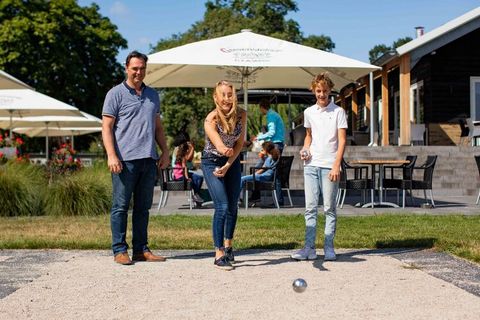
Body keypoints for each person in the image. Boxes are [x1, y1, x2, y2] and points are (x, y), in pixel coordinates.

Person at [102, 50, 170, 265]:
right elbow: (106, 128)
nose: (139, 72)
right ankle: (120, 250)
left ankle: (141, 249)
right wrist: (112, 155)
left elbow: (158, 127)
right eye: (135, 68)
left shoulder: (153, 95)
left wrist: (165, 151)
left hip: (149, 159)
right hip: (124, 161)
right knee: (120, 207)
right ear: (126, 68)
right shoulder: (115, 94)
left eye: (142, 68)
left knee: (143, 208)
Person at [291, 73, 347, 262]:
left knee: (329, 208)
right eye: (318, 91)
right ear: (314, 91)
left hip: (329, 166)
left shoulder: (338, 112)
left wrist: (336, 165)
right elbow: (308, 135)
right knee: (310, 208)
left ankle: (329, 247)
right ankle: (309, 248)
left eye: (324, 91)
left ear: (330, 90)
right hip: (311, 165)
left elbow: (342, 141)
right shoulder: (309, 112)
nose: (321, 94)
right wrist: (305, 148)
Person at [201, 80, 246, 271]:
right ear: (215, 97)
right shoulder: (210, 119)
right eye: (223, 95)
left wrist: (228, 164)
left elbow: (239, 144)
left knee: (233, 206)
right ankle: (218, 253)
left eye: (230, 94)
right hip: (211, 162)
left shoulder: (242, 115)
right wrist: (223, 154)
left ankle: (228, 246)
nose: (227, 98)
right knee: (222, 206)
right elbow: (219, 145)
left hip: (232, 162)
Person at [252, 98, 286, 205]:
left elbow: (271, 133)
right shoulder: (274, 114)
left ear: (262, 107)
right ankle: (256, 196)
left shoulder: (270, 116)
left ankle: (278, 201)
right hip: (275, 144)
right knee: (261, 166)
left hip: (276, 145)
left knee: (275, 174)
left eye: (260, 109)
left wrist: (259, 137)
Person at [173, 138, 205, 206]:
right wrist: (187, 178)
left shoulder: (180, 155)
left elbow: (189, 159)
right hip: (180, 176)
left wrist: (192, 147)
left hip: (180, 174)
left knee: (199, 178)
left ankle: (196, 194)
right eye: (187, 149)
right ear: (184, 150)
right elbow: (184, 168)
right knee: (192, 181)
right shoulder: (183, 157)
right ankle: (195, 195)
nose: (188, 150)